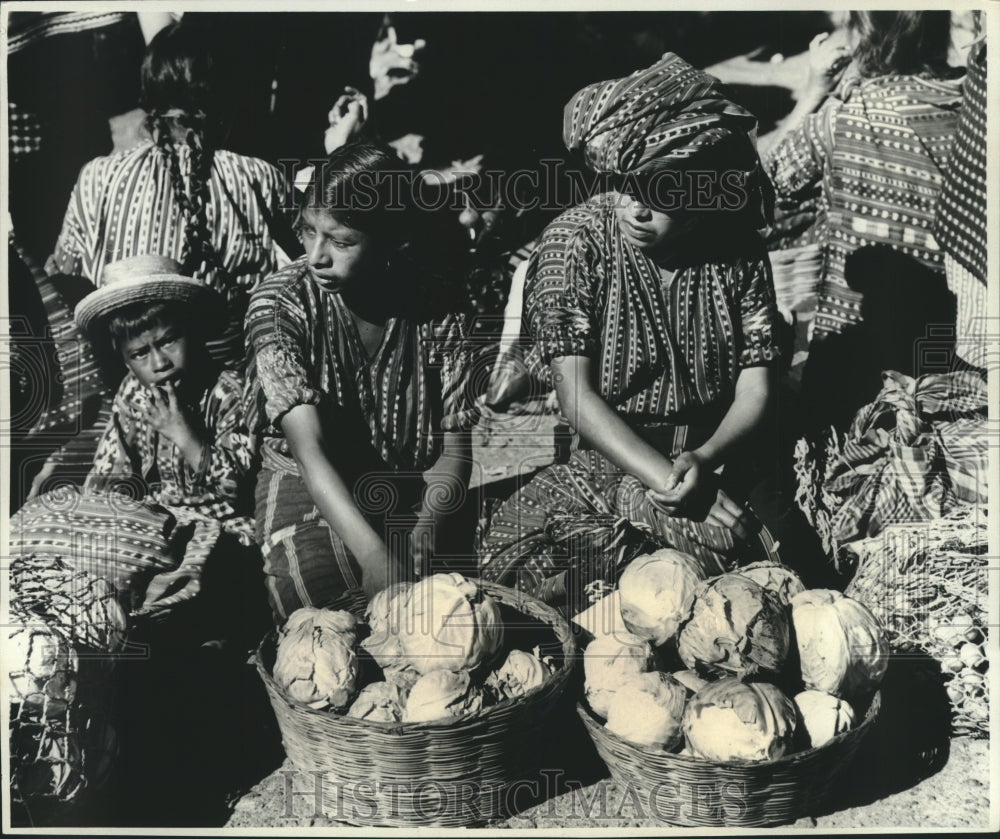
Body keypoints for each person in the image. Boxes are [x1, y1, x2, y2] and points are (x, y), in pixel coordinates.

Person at [477, 53, 824, 613]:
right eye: (624, 186)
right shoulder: (576, 243)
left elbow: (756, 388)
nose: (636, 209)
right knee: (566, 593)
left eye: (661, 194)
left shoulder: (734, 246)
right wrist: (667, 479)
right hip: (612, 453)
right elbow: (577, 398)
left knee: (790, 581)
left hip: (719, 446)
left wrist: (705, 462)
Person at [243, 141, 480, 624]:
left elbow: (454, 449)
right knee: (333, 620)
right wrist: (376, 559)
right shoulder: (280, 306)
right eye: (308, 232)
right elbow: (310, 453)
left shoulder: (437, 307)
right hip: (308, 490)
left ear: (394, 241)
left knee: (455, 615)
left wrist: (425, 529)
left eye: (341, 241)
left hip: (408, 489)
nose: (316, 256)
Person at [11, 254, 260, 640]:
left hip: (220, 529)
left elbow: (239, 490)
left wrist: (185, 434)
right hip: (157, 525)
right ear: (125, 360)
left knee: (189, 574)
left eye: (168, 341)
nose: (158, 362)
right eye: (140, 353)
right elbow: (110, 473)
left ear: (191, 331)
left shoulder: (227, 391)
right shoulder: (133, 394)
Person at [46, 19, 290, 370]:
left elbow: (64, 277)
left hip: (135, 375)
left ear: (147, 98)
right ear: (227, 100)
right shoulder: (257, 176)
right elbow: (308, 266)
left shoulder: (96, 175)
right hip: (235, 375)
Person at [760, 10, 963, 341]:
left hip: (853, 349)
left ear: (861, 36)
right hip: (952, 339)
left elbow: (762, 186)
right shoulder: (976, 107)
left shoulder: (842, 120)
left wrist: (813, 92)